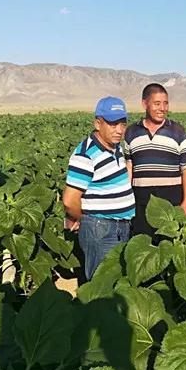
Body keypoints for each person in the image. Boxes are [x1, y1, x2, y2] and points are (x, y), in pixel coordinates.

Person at [63, 96, 135, 281]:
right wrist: (85, 220)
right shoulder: (86, 155)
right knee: (101, 285)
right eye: (113, 124)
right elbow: (70, 201)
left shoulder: (116, 147)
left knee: (116, 282)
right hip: (101, 230)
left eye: (123, 124)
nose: (119, 130)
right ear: (98, 123)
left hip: (119, 228)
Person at [124, 83, 186, 236]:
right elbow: (130, 166)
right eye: (157, 103)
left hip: (171, 200)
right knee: (141, 240)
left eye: (165, 103)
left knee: (169, 243)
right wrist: (126, 199)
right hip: (140, 200)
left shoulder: (178, 131)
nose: (162, 108)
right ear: (144, 104)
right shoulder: (131, 132)